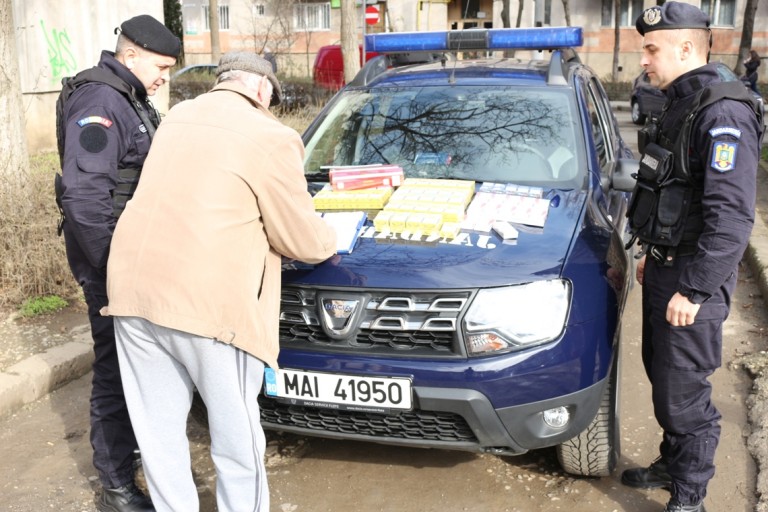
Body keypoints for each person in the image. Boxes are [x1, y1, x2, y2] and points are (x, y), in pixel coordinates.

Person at [102, 52, 337, 511]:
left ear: (224, 82)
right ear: (262, 90)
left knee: (158, 435)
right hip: (208, 306)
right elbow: (303, 240)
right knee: (236, 437)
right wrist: (332, 233)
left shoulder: (177, 117)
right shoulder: (271, 135)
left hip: (132, 291)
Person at [622, 3, 763, 512]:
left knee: (685, 398)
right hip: (667, 266)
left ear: (686, 49)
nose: (643, 59)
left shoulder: (723, 111)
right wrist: (654, 253)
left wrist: (695, 288)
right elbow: (671, 189)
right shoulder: (683, 102)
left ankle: (689, 497)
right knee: (663, 380)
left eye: (651, 49)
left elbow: (730, 218)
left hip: (691, 278)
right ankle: (671, 462)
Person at [56, 14, 180, 512]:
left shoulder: (127, 96)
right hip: (112, 265)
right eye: (161, 66)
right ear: (130, 55)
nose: (164, 77)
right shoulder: (102, 101)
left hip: (133, 260)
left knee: (137, 368)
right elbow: (85, 199)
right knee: (115, 371)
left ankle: (128, 464)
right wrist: (115, 272)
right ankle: (116, 486)